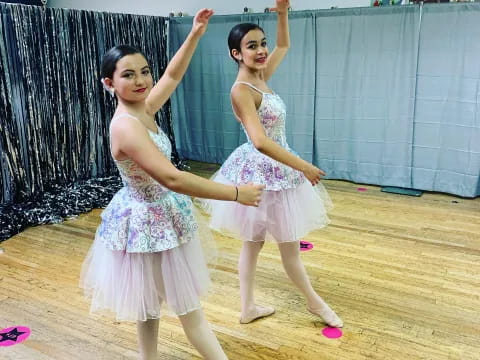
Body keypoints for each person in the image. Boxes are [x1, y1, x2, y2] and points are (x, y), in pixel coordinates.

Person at [80, 9, 264, 360]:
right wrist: (237, 194)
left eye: (144, 72)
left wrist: (195, 33)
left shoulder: (143, 109)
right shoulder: (126, 126)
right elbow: (172, 177)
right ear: (109, 83)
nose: (141, 80)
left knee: (149, 306)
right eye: (128, 75)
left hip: (162, 214)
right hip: (145, 220)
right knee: (187, 309)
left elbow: (173, 74)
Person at [204, 1, 343, 328]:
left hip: (276, 168)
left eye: (261, 43)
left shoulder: (263, 76)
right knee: (276, 246)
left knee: (259, 244)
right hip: (263, 170)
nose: (262, 50)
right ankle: (314, 303)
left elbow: (284, 44)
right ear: (236, 54)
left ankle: (248, 307)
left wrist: (282, 12)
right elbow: (261, 141)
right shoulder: (242, 90)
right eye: (252, 46)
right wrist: (303, 166)